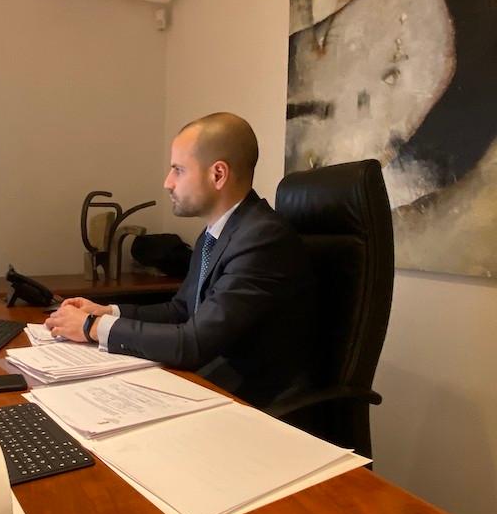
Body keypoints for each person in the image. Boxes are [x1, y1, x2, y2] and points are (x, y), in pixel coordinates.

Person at [45, 112, 317, 406]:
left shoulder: (263, 239)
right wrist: (107, 311)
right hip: (213, 381)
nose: (167, 182)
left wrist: (91, 327)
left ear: (218, 174)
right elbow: (182, 309)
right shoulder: (215, 235)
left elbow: (194, 343)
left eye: (178, 170)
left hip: (254, 399)